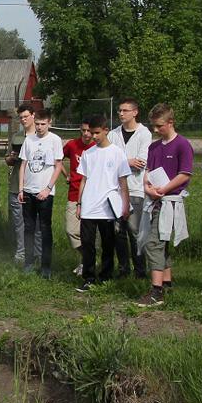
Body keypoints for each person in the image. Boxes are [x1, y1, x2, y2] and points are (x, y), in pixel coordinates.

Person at [136, 104, 194, 308]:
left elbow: (184, 174)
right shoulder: (154, 147)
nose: (156, 130)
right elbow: (148, 171)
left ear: (170, 122)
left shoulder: (182, 145)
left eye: (159, 126)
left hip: (169, 202)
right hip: (154, 201)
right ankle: (166, 283)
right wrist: (147, 188)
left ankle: (156, 291)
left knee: (154, 244)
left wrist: (164, 189)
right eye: (153, 126)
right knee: (161, 242)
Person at [75, 115, 130, 292]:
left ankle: (106, 276)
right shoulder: (88, 153)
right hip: (89, 207)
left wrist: (125, 205)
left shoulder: (117, 153)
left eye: (97, 133)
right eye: (92, 133)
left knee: (108, 244)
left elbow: (123, 183)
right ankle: (89, 278)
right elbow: (83, 180)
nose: (94, 136)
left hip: (107, 208)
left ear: (106, 131)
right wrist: (79, 204)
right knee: (88, 245)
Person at [17, 108, 64, 278]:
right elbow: (23, 165)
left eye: (43, 124)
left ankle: (46, 266)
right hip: (28, 191)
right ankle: (29, 262)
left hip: (45, 192)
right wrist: (21, 189)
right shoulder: (29, 140)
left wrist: (48, 188)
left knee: (45, 228)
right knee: (28, 228)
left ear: (49, 123)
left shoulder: (55, 140)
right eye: (37, 124)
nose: (39, 127)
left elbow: (58, 166)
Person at [111, 99, 152, 279]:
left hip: (135, 189)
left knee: (135, 232)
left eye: (126, 110)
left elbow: (141, 162)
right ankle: (123, 269)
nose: (121, 114)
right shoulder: (113, 134)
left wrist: (118, 162)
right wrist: (128, 162)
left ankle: (140, 271)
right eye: (120, 110)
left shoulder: (144, 134)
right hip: (116, 189)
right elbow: (108, 160)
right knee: (118, 232)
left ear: (135, 112)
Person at [61, 119, 94, 276]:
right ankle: (87, 258)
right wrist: (66, 175)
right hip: (74, 193)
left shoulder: (97, 147)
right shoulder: (73, 145)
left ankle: (87, 263)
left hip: (93, 195)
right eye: (83, 130)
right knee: (71, 230)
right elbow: (58, 159)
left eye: (89, 131)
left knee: (89, 234)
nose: (86, 134)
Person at [4, 105, 36, 264]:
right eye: (21, 117)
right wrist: (13, 157)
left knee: (37, 224)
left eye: (26, 116)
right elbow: (7, 160)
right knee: (20, 224)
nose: (23, 120)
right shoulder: (16, 137)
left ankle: (37, 254)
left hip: (35, 186)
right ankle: (21, 254)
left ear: (33, 116)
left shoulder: (40, 136)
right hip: (17, 186)